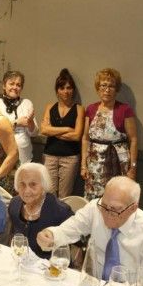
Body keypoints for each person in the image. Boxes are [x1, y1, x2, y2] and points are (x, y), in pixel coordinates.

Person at [37, 176, 143, 278]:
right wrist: (50, 235)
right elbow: (67, 231)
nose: (107, 214)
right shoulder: (95, 208)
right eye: (104, 205)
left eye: (115, 209)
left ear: (133, 208)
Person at [81, 68, 138, 201]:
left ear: (116, 89)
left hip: (118, 163)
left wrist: (132, 168)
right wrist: (83, 165)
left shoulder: (124, 110)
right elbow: (85, 138)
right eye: (103, 85)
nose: (107, 89)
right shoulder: (90, 109)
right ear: (98, 87)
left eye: (111, 86)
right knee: (94, 200)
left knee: (117, 199)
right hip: (94, 164)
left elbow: (133, 139)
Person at [9, 163, 73, 259]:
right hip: (20, 263)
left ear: (44, 186)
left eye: (33, 184)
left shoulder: (61, 211)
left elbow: (77, 243)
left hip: (51, 267)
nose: (26, 191)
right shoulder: (14, 204)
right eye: (22, 184)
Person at [40, 68, 85, 198]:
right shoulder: (50, 107)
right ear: (57, 90)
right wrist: (67, 129)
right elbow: (44, 130)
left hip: (70, 158)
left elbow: (77, 136)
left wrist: (53, 131)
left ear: (73, 90)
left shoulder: (79, 109)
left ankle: (64, 219)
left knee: (65, 196)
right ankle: (51, 219)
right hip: (50, 156)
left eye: (69, 88)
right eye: (62, 88)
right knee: (48, 193)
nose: (66, 91)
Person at [0, 70, 38, 164]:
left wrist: (31, 123)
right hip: (4, 158)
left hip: (25, 157)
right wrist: (17, 123)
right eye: (11, 84)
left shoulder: (27, 103)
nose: (15, 87)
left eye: (18, 85)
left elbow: (34, 133)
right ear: (4, 85)